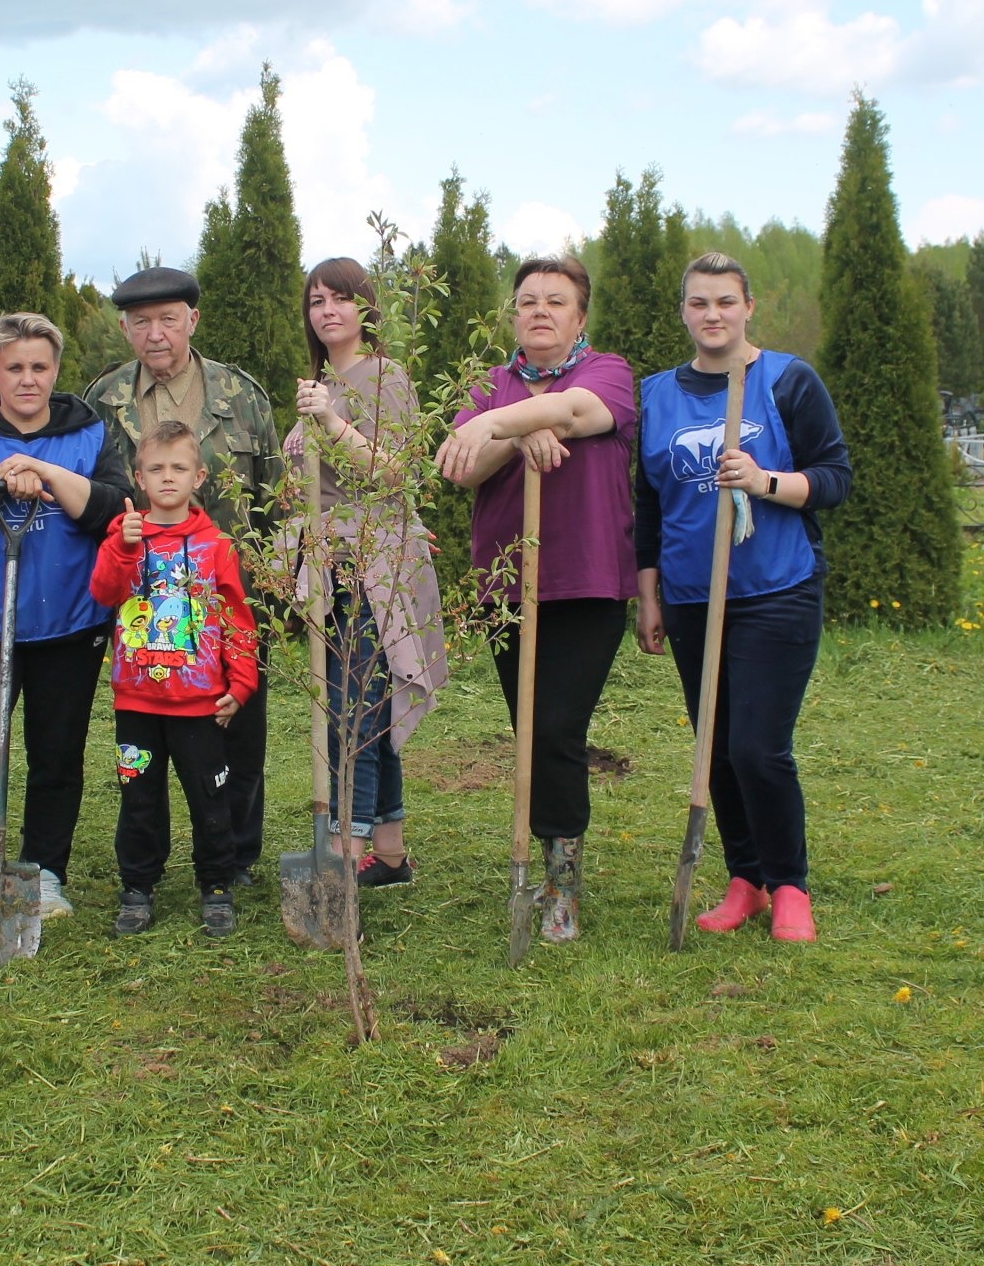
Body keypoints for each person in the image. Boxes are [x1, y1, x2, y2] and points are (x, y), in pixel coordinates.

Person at [635, 252, 852, 944]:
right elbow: (645, 507)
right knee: (717, 749)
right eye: (699, 303)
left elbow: (836, 478)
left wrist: (764, 481)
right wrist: (650, 597)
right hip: (695, 597)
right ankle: (745, 881)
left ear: (748, 307)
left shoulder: (788, 381)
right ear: (684, 313)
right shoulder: (656, 397)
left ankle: (791, 885)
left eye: (726, 302)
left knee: (759, 747)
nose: (713, 315)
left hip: (776, 589)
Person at [436, 256, 636, 943]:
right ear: (513, 314)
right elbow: (460, 465)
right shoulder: (486, 383)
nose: (540, 310)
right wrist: (517, 428)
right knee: (533, 734)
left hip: (586, 581)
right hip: (506, 587)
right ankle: (551, 863)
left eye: (556, 300)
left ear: (580, 316)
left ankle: (562, 883)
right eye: (527, 301)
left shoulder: (607, 371)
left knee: (556, 730)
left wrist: (504, 421)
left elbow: (581, 412)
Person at [0, 312, 132, 932]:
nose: (28, 379)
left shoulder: (90, 435)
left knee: (56, 753)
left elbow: (116, 510)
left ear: (56, 370)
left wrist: (44, 473)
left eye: (40, 366)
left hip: (69, 623)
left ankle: (44, 874)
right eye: (14, 367)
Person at [83, 266, 280, 884]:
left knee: (238, 734)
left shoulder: (241, 396)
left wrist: (272, 586)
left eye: (169, 318)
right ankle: (147, 861)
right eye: (141, 322)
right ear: (125, 329)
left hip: (230, 598)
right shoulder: (103, 401)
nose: (156, 333)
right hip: (146, 616)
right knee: (146, 745)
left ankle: (235, 856)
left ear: (193, 320)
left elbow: (274, 497)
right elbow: (93, 501)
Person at [284, 256, 447, 886]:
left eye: (340, 298)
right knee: (364, 708)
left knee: (355, 713)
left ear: (365, 308)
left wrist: (328, 419)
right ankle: (392, 854)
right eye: (316, 301)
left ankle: (347, 866)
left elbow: (394, 471)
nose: (326, 310)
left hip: (371, 568)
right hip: (329, 564)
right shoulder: (317, 381)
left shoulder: (385, 377)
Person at [89, 422, 259, 937]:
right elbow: (103, 592)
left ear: (198, 476)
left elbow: (238, 620)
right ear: (138, 477)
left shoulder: (216, 546)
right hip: (138, 702)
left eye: (178, 468)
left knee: (210, 797)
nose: (167, 478)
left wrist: (242, 684)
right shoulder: (124, 536)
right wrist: (122, 546)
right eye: (156, 469)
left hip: (199, 704)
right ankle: (138, 887)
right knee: (139, 799)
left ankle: (217, 885)